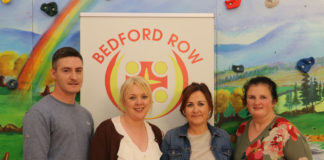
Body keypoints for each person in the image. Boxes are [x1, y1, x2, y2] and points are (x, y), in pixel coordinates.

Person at [23, 47, 94, 160]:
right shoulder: (38, 114)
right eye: (66, 70)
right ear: (53, 73)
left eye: (78, 70)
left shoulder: (86, 115)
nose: (74, 77)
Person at [234, 76, 312, 160]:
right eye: (252, 97)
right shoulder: (241, 130)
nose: (257, 102)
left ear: (274, 101)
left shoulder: (287, 131)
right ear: (246, 102)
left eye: (263, 97)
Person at [89, 76, 163, 160]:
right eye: (132, 97)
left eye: (144, 97)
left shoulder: (156, 132)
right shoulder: (106, 130)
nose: (139, 102)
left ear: (150, 100)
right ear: (123, 101)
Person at [160, 82, 232, 160]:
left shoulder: (223, 137)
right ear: (184, 109)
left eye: (201, 104)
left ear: (209, 107)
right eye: (190, 105)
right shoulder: (171, 138)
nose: (195, 110)